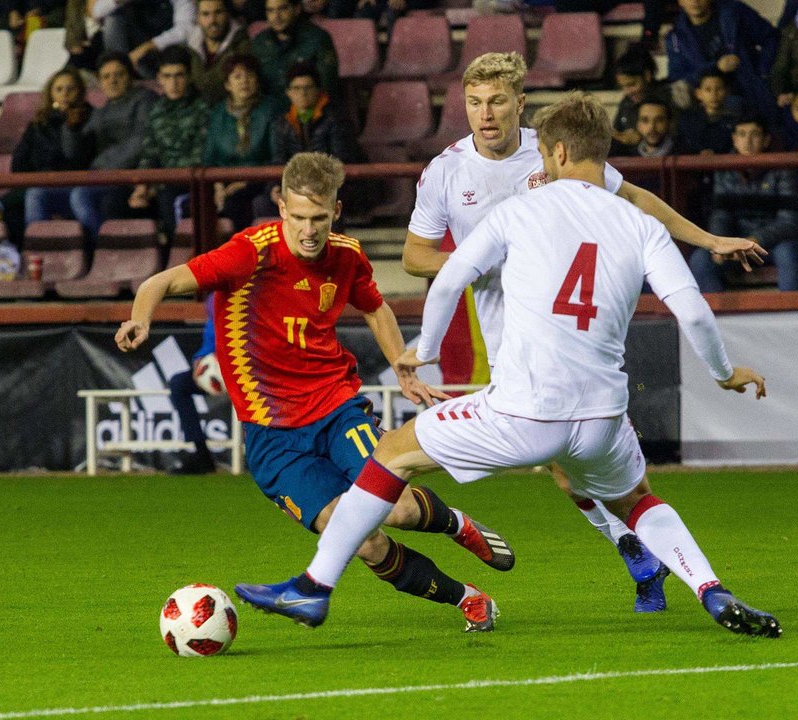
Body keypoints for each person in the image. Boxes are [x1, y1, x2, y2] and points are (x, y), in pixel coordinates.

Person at [235, 92, 783, 640]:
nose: (540, 165)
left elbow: (449, 278)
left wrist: (424, 347)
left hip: (524, 413)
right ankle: (712, 588)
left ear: (562, 152)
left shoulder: (520, 211)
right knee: (636, 500)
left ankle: (314, 586)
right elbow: (691, 308)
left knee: (392, 454)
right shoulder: (640, 226)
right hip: (601, 419)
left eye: (544, 154)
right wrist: (724, 373)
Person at [395, 53, 766, 614]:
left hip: (572, 329)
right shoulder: (445, 171)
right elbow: (414, 254)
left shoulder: (553, 150)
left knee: (569, 461)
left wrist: (708, 241)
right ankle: (639, 548)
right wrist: (485, 260)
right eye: (474, 103)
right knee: (567, 471)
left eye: (496, 101)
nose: (485, 114)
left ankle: (633, 547)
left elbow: (636, 201)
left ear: (520, 103)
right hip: (508, 333)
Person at [116, 151, 514, 632]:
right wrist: (141, 317)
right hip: (273, 438)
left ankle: (456, 524)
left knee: (400, 510)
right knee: (363, 542)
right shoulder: (250, 253)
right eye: (299, 217)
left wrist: (400, 366)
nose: (309, 230)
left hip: (336, 408)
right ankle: (466, 598)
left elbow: (375, 307)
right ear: (281, 207)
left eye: (319, 218)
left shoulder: (345, 255)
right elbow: (164, 280)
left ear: (336, 212)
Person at [25, 52, 156, 254]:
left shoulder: (144, 100)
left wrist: (102, 170)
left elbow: (140, 143)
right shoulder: (100, 111)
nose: (112, 81)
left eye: (118, 75)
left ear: (130, 76)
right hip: (97, 180)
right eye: (106, 77)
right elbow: (73, 153)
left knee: (80, 195)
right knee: (36, 194)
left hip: (124, 180)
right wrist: (71, 129)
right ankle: (41, 257)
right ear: (100, 82)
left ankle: (104, 253)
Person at [689, 115, 798, 292]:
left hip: (775, 242)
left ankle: (791, 314)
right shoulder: (724, 170)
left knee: (787, 253)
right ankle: (717, 317)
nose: (748, 141)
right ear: (735, 140)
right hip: (739, 242)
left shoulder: (783, 169)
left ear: (766, 140)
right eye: (742, 134)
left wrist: (754, 240)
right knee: (701, 259)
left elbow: (789, 223)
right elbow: (721, 215)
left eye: (754, 134)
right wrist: (720, 243)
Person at [253, 61, 358, 221]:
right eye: (296, 88)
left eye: (308, 87)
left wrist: (312, 186)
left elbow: (341, 159)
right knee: (262, 203)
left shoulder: (336, 119)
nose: (302, 93)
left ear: (318, 90)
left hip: (329, 187)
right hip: (296, 187)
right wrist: (274, 187)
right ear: (288, 92)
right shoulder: (282, 123)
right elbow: (278, 160)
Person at [1, 66, 92, 250]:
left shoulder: (89, 119)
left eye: (70, 89)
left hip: (70, 185)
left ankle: (37, 251)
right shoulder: (38, 124)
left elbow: (76, 159)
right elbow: (19, 162)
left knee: (34, 194)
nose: (64, 94)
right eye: (59, 89)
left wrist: (70, 127)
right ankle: (17, 254)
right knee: (14, 207)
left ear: (80, 92)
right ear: (50, 94)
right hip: (37, 181)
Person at [129, 45, 211, 247]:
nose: (173, 83)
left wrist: (157, 184)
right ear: (159, 78)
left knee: (167, 197)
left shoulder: (204, 108)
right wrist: (142, 185)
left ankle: (177, 260)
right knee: (118, 202)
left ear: (189, 76)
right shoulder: (157, 110)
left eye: (179, 76)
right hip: (162, 181)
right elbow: (150, 152)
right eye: (167, 76)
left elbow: (200, 157)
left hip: (191, 183)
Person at [666, 0, 780, 129]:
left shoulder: (734, 12)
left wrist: (763, 72)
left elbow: (771, 37)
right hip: (710, 109)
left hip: (753, 96)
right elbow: (677, 79)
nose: (695, 1)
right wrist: (715, 67)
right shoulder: (675, 38)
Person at [202, 53, 280, 230]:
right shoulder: (218, 113)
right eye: (237, 77)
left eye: (249, 75)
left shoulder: (271, 110)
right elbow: (209, 158)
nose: (244, 81)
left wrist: (244, 182)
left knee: (235, 202)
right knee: (195, 204)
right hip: (223, 180)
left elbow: (276, 156)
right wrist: (218, 186)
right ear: (227, 84)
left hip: (260, 180)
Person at [251, 0, 339, 106]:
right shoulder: (260, 42)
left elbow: (327, 87)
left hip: (309, 112)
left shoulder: (318, 39)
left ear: (297, 9)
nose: (276, 16)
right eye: (270, 11)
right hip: (270, 114)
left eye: (283, 9)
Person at [169, 292, 220, 474]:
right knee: (179, 384)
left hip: (245, 365)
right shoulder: (212, 298)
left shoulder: (221, 296)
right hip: (218, 368)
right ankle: (201, 453)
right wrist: (201, 358)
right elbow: (212, 335)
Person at [90, 0, 197, 77]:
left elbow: (185, 29)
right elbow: (97, 12)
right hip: (130, 54)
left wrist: (149, 46)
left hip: (161, 54)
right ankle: (118, 70)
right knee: (113, 20)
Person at [185, 0, 253, 105]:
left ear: (227, 14)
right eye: (205, 14)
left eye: (218, 12)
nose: (212, 20)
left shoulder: (242, 46)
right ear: (198, 18)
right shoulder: (190, 47)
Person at [611, 42, 673, 156]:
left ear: (647, 75)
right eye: (623, 87)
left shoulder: (669, 98)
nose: (627, 92)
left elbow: (677, 135)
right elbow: (617, 132)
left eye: (632, 84)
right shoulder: (626, 103)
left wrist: (642, 138)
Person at [677, 68, 746, 155]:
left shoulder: (735, 121)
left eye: (719, 89)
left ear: (727, 91)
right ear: (698, 94)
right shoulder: (687, 119)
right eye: (708, 90)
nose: (714, 94)